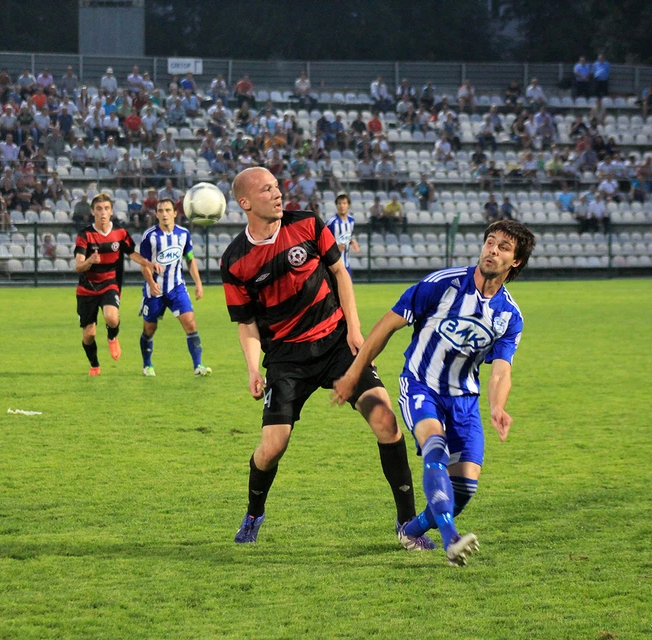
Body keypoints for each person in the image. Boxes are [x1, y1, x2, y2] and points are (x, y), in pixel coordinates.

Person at [221, 167, 426, 547]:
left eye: (278, 187)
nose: (278, 194)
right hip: (285, 360)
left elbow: (340, 272)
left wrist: (353, 329)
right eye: (267, 190)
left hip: (337, 345)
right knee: (272, 448)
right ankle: (253, 514)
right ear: (246, 203)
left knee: (384, 419)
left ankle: (407, 525)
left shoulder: (308, 224)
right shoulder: (235, 260)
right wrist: (253, 367)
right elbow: (246, 323)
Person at [331, 220, 536, 566]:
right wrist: (355, 374)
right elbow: (386, 325)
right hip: (420, 385)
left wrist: (497, 407)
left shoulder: (508, 315)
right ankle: (450, 539)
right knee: (435, 447)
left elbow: (502, 371)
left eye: (503, 247)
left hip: (464, 401)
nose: (492, 250)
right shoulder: (443, 284)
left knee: (464, 489)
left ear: (515, 261)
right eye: (490, 242)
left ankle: (412, 529)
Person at [136, 198, 211, 378]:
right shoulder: (150, 236)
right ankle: (147, 365)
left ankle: (198, 365)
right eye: (160, 211)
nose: (164, 214)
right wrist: (152, 283)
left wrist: (198, 284)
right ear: (156, 214)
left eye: (168, 210)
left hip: (176, 287)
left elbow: (190, 259)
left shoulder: (184, 234)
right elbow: (144, 265)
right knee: (149, 329)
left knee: (190, 323)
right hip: (154, 290)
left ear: (175, 213)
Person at [74, 194, 145, 376]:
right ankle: (95, 364)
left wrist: (148, 264)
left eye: (106, 208)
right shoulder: (85, 235)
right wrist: (90, 260)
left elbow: (132, 253)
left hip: (109, 283)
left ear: (111, 211)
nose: (103, 212)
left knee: (112, 318)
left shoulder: (120, 233)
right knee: (89, 335)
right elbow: (78, 266)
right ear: (93, 212)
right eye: (99, 209)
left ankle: (112, 336)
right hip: (87, 289)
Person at [326, 193, 360, 277]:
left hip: (346, 264)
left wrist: (352, 241)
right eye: (339, 203)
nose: (342, 206)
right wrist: (335, 248)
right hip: (333, 265)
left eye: (344, 203)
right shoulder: (331, 222)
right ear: (336, 205)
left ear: (348, 205)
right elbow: (323, 241)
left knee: (347, 289)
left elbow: (347, 235)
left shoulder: (351, 221)